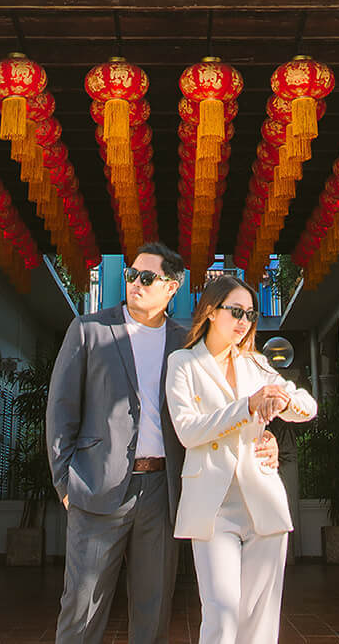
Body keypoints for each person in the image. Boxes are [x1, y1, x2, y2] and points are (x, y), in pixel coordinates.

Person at [47, 244, 281, 644]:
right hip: (96, 487)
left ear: (172, 287)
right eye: (132, 274)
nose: (136, 283)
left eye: (147, 277)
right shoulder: (89, 329)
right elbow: (60, 409)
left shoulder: (188, 342)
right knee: (81, 608)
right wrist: (65, 484)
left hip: (162, 491)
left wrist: (266, 434)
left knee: (153, 611)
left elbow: (225, 400)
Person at [165, 272, 317, 644]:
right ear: (211, 311)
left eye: (250, 314)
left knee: (261, 618)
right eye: (236, 311)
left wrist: (283, 401)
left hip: (261, 496)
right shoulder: (183, 363)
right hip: (212, 504)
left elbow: (308, 408)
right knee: (221, 609)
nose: (244, 322)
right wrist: (247, 407)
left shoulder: (256, 365)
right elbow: (189, 431)